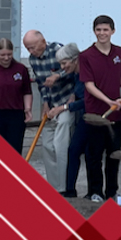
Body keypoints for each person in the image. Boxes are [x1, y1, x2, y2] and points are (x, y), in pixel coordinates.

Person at [79, 15, 121, 202]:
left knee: (114, 154)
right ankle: (95, 191)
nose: (102, 33)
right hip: (95, 114)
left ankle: (112, 192)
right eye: (98, 30)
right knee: (94, 155)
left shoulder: (119, 52)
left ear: (112, 31)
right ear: (94, 31)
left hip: (116, 114)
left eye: (105, 30)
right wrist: (108, 101)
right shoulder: (85, 56)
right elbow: (89, 85)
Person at [23, 29, 76, 191]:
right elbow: (41, 84)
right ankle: (54, 186)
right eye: (27, 48)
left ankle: (65, 186)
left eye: (32, 47)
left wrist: (58, 75)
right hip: (51, 104)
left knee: (60, 144)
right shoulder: (33, 59)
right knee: (46, 145)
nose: (31, 51)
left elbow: (74, 70)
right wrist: (45, 103)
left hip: (66, 101)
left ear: (43, 42)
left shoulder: (58, 50)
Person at [47, 44, 85, 198]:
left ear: (75, 60)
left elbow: (87, 101)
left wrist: (63, 107)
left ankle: (94, 192)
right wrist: (73, 95)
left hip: (91, 117)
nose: (62, 68)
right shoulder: (76, 74)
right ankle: (69, 190)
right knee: (74, 150)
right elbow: (78, 93)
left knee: (86, 153)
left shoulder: (85, 74)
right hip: (82, 115)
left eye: (64, 63)